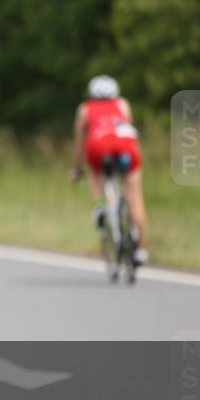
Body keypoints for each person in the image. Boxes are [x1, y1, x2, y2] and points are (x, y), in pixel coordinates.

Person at [69, 75, 148, 265]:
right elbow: (129, 129)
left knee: (95, 171)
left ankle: (99, 205)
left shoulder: (84, 109)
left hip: (98, 146)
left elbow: (80, 142)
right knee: (135, 198)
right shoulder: (123, 104)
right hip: (125, 146)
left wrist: (77, 169)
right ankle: (141, 250)